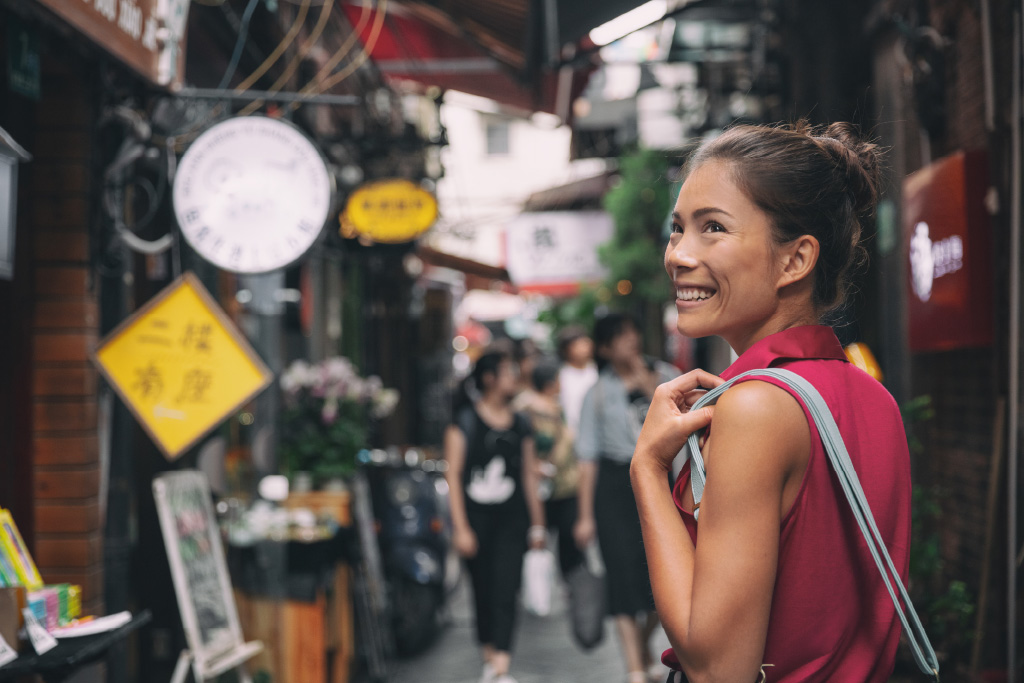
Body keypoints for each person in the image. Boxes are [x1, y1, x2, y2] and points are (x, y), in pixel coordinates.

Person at [631, 122, 910, 682]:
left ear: (795, 260)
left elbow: (718, 670)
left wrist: (647, 469)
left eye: (713, 228)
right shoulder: (873, 396)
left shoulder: (754, 408)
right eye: (677, 229)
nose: (679, 255)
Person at [574, 313, 679, 683]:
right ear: (605, 348)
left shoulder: (665, 376)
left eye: (632, 330)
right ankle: (635, 668)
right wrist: (585, 515)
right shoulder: (598, 394)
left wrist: (648, 382)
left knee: (662, 574)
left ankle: (647, 640)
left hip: (663, 479)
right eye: (619, 336)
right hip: (615, 486)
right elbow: (586, 459)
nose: (630, 340)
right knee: (620, 575)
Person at [445, 348, 546, 683]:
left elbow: (529, 475)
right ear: (489, 379)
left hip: (512, 519)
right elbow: (454, 476)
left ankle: (501, 664)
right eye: (506, 372)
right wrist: (460, 527)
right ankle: (490, 657)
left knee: (507, 588)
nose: (513, 377)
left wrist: (538, 524)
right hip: (475, 519)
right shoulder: (464, 421)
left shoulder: (521, 422)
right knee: (483, 590)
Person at [517, 359, 583, 577]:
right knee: (536, 540)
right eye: (557, 380)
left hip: (563, 486)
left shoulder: (557, 408)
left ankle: (567, 586)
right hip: (538, 487)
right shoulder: (525, 409)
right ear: (549, 383)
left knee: (568, 546)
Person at [556, 326, 598, 436]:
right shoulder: (562, 376)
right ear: (567, 350)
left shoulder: (597, 371)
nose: (584, 348)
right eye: (578, 345)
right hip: (573, 432)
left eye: (585, 343)